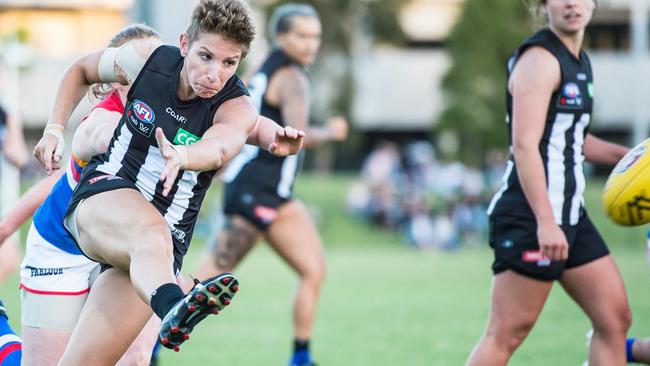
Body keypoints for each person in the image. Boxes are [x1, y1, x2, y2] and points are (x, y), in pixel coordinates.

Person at [32, 1, 304, 364]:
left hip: (160, 254)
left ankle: (173, 302)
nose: (214, 74)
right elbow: (80, 70)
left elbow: (220, 147)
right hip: (105, 195)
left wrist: (185, 156)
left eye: (229, 63)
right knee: (150, 230)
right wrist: (54, 130)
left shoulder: (237, 106)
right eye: (206, 56)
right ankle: (176, 304)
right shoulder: (145, 60)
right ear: (185, 43)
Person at [466, 0, 633, 365]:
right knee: (506, 335)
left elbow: (573, 138)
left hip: (571, 216)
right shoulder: (539, 60)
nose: (572, 3)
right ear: (543, 4)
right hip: (532, 217)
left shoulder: (580, 61)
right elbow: (525, 146)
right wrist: (545, 221)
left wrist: (634, 159)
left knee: (614, 320)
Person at [0, 24, 170, 366]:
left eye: (157, 67)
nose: (150, 78)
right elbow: (62, 181)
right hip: (63, 245)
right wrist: (7, 226)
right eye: (135, 69)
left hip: (122, 251)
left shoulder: (175, 114)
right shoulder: (102, 123)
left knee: (135, 358)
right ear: (110, 80)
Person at [193, 4, 347, 366]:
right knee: (202, 286)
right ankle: (145, 345)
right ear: (281, 37)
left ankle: (301, 357)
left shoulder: (263, 70)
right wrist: (333, 133)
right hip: (256, 190)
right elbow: (297, 136)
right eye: (301, 36)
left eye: (315, 37)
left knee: (313, 269)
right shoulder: (292, 75)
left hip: (274, 194)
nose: (310, 44)